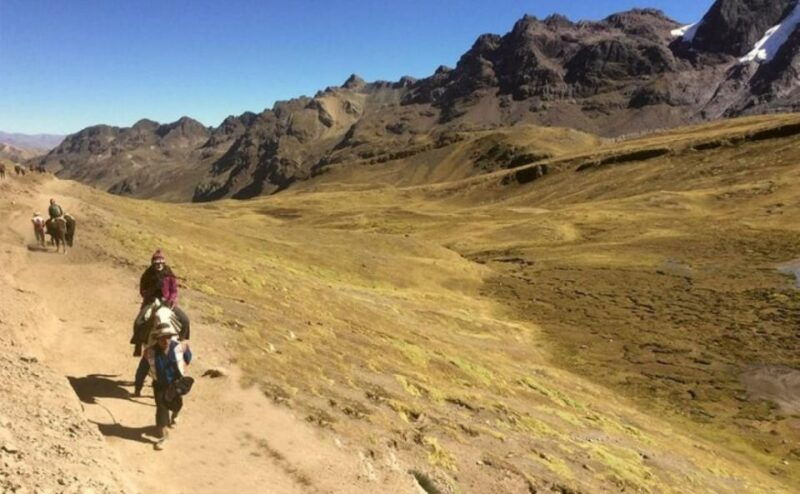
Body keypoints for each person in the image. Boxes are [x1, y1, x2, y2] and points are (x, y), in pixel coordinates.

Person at [134, 326, 193, 450]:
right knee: (162, 409)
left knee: (176, 404)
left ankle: (175, 415)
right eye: (162, 339)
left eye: (167, 338)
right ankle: (164, 436)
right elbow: (142, 370)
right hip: (159, 385)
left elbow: (188, 356)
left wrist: (184, 366)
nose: (165, 341)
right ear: (157, 339)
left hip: (176, 383)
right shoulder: (149, 353)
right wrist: (138, 387)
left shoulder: (179, 347)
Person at [131, 250, 191, 355]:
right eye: (156, 263)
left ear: (163, 263)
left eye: (160, 263)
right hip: (151, 302)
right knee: (138, 322)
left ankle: (181, 339)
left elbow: (174, 290)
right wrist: (152, 294)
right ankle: (138, 344)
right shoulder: (147, 274)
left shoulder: (169, 274)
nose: (158, 265)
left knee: (185, 320)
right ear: (153, 263)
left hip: (167, 302)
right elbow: (142, 291)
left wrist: (171, 300)